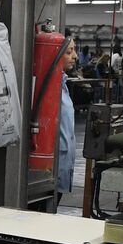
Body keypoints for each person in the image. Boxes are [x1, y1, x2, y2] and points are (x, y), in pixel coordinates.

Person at [56, 42, 78, 206]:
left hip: (63, 163)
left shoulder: (62, 84)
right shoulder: (52, 87)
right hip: (53, 167)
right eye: (69, 52)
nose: (75, 56)